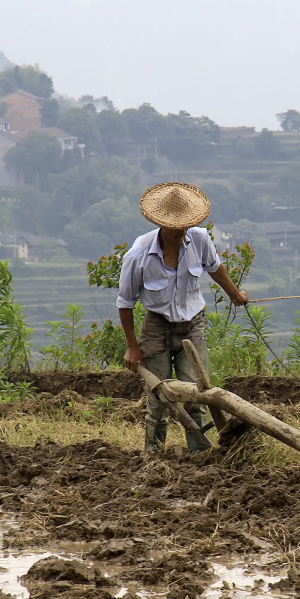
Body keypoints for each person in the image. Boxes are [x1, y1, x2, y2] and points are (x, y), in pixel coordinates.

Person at [117, 182, 249, 452]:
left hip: (192, 325)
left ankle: (198, 453)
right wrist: (132, 346)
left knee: (197, 395)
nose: (182, 232)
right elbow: (125, 303)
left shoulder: (199, 239)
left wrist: (235, 294)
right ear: (162, 225)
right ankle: (153, 457)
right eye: (177, 228)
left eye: (185, 226)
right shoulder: (139, 254)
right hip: (156, 327)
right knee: (159, 399)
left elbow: (215, 268)